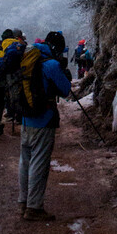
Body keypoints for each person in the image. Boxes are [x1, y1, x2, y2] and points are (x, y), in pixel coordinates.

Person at [17, 34, 71, 221]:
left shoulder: (29, 57)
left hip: (25, 118)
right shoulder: (51, 65)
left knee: (25, 161)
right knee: (39, 163)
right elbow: (65, 90)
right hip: (44, 118)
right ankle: (34, 208)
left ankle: (23, 202)